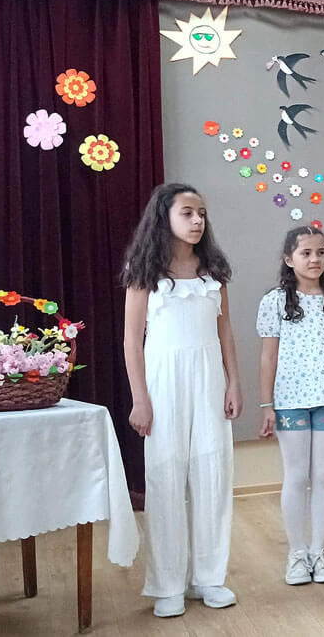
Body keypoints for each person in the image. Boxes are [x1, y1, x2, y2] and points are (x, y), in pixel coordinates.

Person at [122, 183, 241, 618]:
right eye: (187, 213)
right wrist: (140, 399)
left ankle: (209, 577)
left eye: (201, 214)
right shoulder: (144, 270)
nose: (197, 221)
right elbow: (132, 340)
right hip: (163, 382)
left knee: (212, 473)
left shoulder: (213, 271)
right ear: (164, 217)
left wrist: (233, 382)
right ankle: (168, 583)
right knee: (166, 476)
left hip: (208, 378)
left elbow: (225, 331)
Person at [257, 226, 324, 585]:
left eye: (320, 252)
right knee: (297, 476)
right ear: (289, 259)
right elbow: (268, 357)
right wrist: (267, 404)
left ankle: (319, 551)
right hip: (290, 403)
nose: (314, 259)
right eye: (306, 253)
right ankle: (297, 554)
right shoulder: (275, 302)